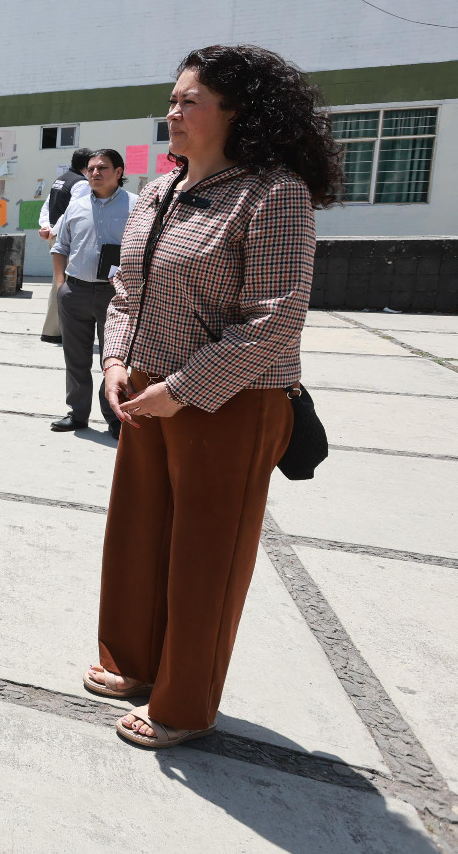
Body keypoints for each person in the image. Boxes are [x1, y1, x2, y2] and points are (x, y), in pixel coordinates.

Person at [86, 45, 340, 749]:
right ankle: (131, 661)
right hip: (145, 395)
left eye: (188, 100)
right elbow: (126, 292)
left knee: (206, 558)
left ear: (236, 111)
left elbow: (275, 319)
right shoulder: (158, 192)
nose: (173, 111)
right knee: (137, 537)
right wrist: (114, 360)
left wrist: (182, 390)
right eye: (173, 99)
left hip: (229, 405)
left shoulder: (273, 193)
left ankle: (182, 705)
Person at [50, 149, 136, 438]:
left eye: (102, 168)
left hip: (115, 296)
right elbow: (60, 247)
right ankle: (77, 413)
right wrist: (62, 285)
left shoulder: (136, 206)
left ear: (118, 172)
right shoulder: (75, 206)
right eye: (90, 169)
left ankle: (114, 417)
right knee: (76, 357)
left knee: (113, 359)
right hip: (74, 291)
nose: (95, 173)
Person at [37, 149, 93, 344]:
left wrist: (46, 226)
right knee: (64, 285)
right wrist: (53, 230)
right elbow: (71, 211)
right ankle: (55, 331)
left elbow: (46, 205)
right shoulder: (81, 183)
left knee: (58, 284)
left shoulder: (61, 179)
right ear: (87, 165)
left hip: (55, 234)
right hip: (66, 239)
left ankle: (54, 330)